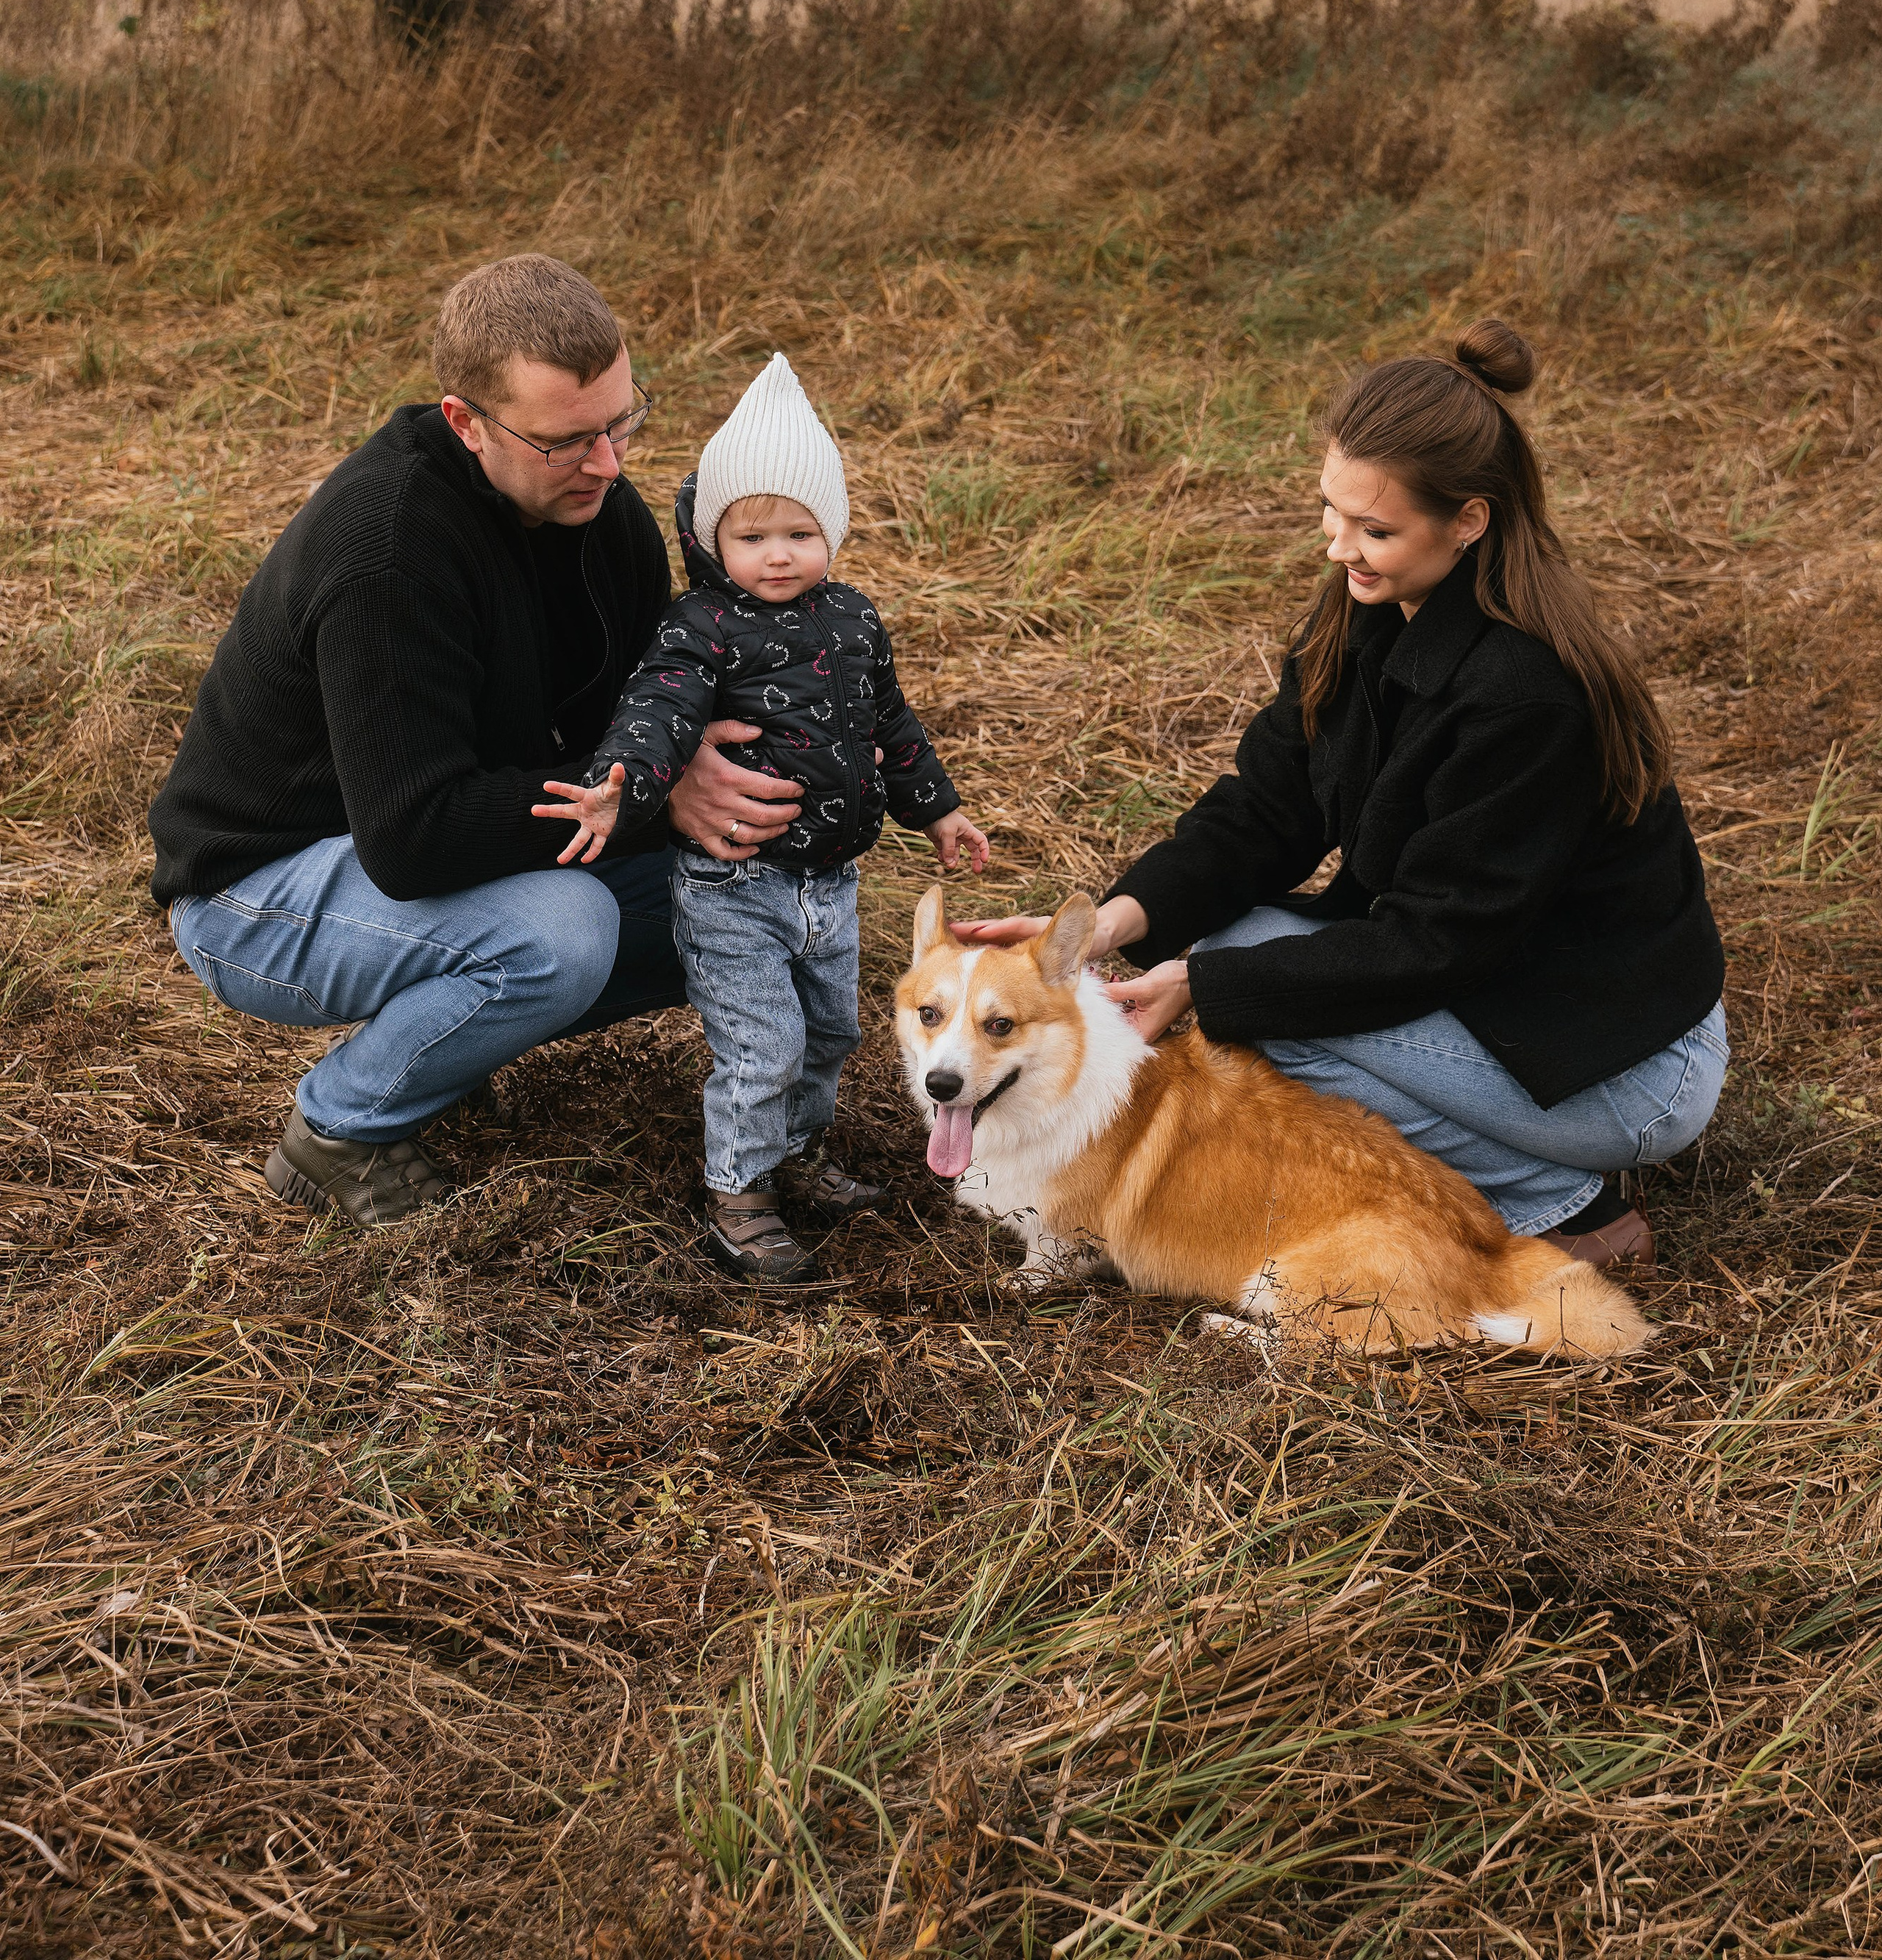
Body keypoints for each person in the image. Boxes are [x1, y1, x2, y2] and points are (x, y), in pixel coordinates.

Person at [958, 319, 1726, 1272]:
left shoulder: (1529, 696)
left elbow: (1441, 939)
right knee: (1242, 962)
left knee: (1260, 1004)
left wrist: (1206, 988)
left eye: (1375, 529)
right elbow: (1269, 805)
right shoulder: (1370, 607)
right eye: (1332, 512)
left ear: (1471, 520)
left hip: (1626, 1059)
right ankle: (1503, 1169)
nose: (1340, 548)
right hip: (1507, 998)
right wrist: (1115, 926)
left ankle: (1563, 1207)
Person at [151, 254, 810, 1226]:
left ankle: (445, 1045)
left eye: (621, 421)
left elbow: (623, 733)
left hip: (412, 860)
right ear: (466, 423)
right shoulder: (388, 555)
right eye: (566, 440)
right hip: (258, 894)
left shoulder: (604, 516)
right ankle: (339, 1127)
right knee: (563, 934)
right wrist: (649, 792)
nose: (609, 462)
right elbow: (416, 839)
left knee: (750, 885)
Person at [540, 351, 991, 1281]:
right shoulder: (699, 627)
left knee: (832, 1033)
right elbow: (658, 711)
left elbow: (891, 724)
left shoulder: (856, 619)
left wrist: (937, 811)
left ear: (832, 531)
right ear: (713, 543)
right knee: (765, 1043)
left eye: (798, 532)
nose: (777, 554)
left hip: (831, 881)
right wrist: (625, 778)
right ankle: (738, 1192)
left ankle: (799, 1155)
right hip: (735, 883)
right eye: (751, 538)